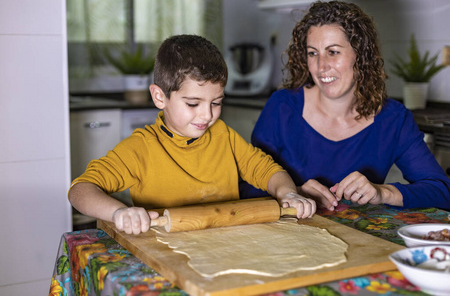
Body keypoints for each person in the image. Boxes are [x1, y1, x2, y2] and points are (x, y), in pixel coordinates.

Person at [69, 34, 316, 235]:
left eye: (216, 102)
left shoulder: (223, 136)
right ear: (159, 97)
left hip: (226, 245)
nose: (206, 116)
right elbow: (80, 190)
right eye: (193, 103)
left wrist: (288, 192)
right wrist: (118, 212)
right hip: (165, 254)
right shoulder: (141, 149)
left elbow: (267, 170)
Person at [240, 1, 450, 211]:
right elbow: (245, 187)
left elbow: (441, 191)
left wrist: (382, 192)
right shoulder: (281, 107)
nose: (321, 66)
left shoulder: (393, 119)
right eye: (313, 53)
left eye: (333, 52)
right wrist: (292, 191)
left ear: (360, 55)